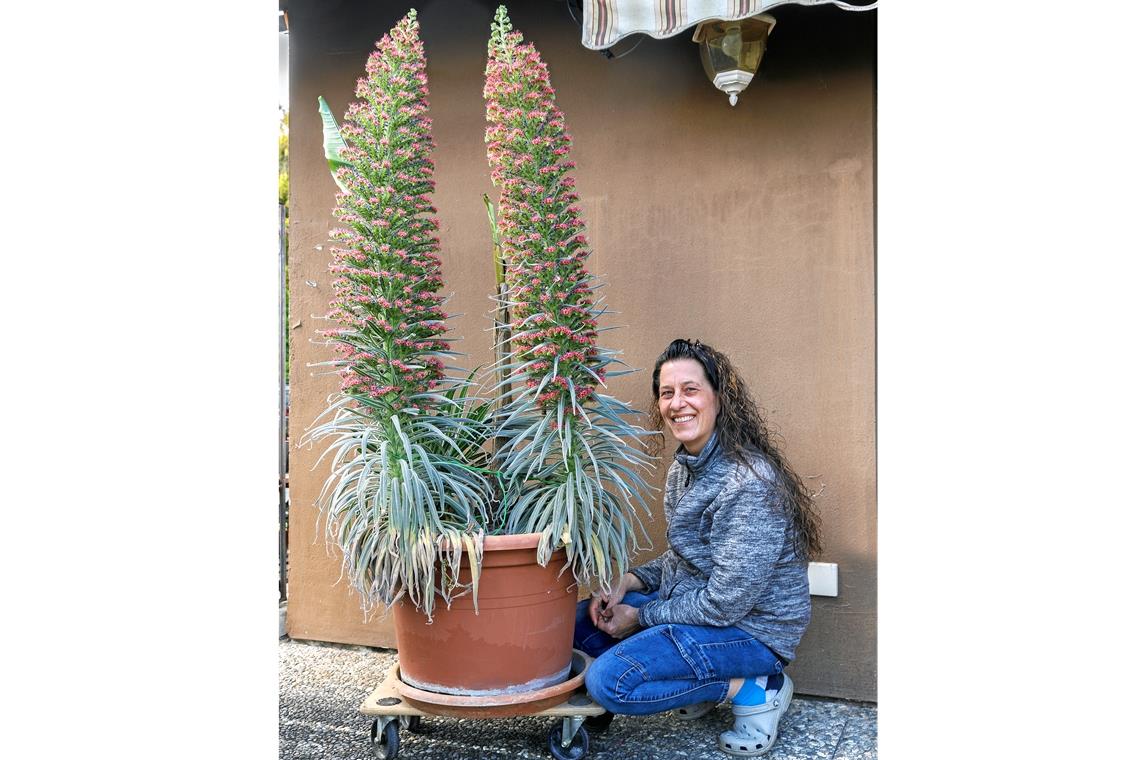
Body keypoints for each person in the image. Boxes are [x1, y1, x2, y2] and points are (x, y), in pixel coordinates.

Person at [574, 338, 823, 757]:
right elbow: (684, 557)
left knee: (609, 681)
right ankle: (693, 683)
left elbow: (725, 604)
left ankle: (755, 688)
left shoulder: (748, 484)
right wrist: (628, 580)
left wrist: (642, 616)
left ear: (720, 399)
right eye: (667, 393)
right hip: (697, 610)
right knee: (578, 625)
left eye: (691, 390)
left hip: (750, 632)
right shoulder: (685, 467)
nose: (677, 403)